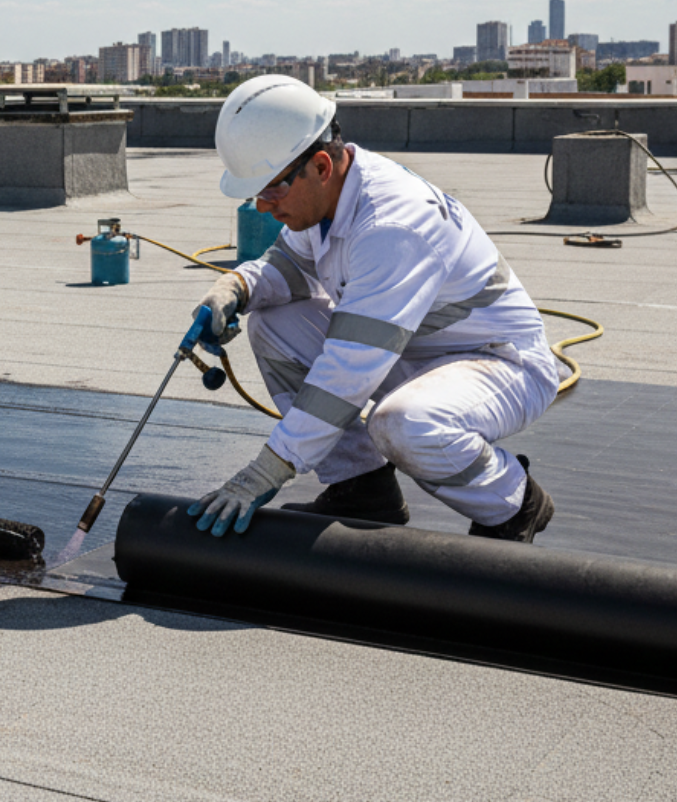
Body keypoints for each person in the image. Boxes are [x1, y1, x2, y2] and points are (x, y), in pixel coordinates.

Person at [186, 74, 558, 542]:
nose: (262, 206)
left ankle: (511, 500)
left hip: (497, 362)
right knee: (272, 322)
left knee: (404, 423)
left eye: (272, 190)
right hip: (414, 353)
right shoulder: (326, 196)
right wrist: (236, 286)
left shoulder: (392, 225)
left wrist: (268, 470)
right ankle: (361, 488)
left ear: (320, 166)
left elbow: (346, 372)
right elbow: (290, 270)